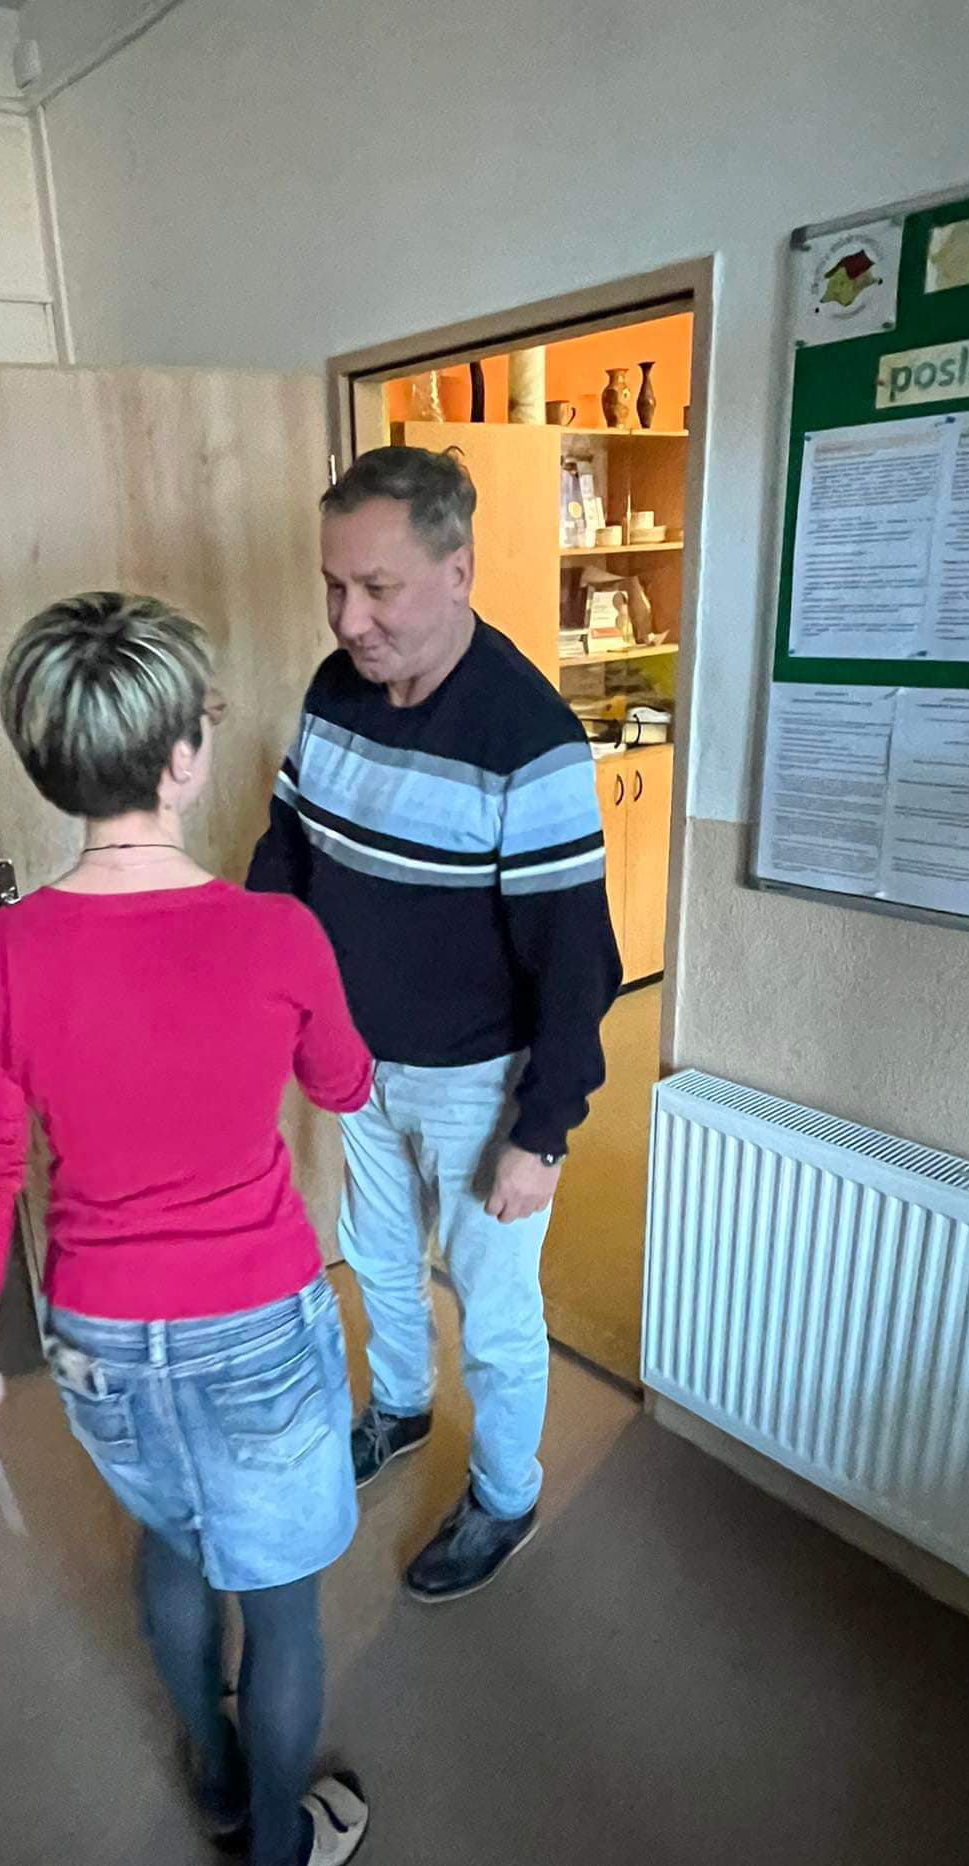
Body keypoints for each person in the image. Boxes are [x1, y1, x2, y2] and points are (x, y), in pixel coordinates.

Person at [0, 592, 373, 1866]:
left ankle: (221, 1780)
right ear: (184, 756)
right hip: (255, 1319)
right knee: (281, 1606)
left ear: (49, 764)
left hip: (99, 1333)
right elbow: (344, 1085)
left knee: (174, 1538)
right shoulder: (277, 932)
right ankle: (273, 1863)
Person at [249, 443, 621, 1603]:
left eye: (378, 587)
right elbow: (287, 850)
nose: (348, 618)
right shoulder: (333, 690)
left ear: (457, 570)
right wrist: (257, 985)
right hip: (358, 1060)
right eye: (333, 585)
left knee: (495, 1310)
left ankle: (506, 1494)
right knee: (375, 1258)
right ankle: (402, 1407)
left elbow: (578, 964)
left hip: (479, 1082)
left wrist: (542, 1132)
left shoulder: (528, 738)